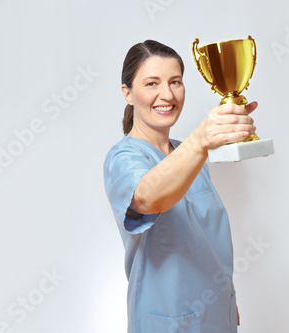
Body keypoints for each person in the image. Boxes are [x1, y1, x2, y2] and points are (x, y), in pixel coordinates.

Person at [103, 39, 258, 333]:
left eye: (175, 81)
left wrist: (225, 297)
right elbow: (149, 199)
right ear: (128, 93)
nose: (167, 94)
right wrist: (201, 140)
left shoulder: (188, 154)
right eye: (151, 83)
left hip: (216, 313)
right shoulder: (123, 158)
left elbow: (204, 237)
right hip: (168, 320)